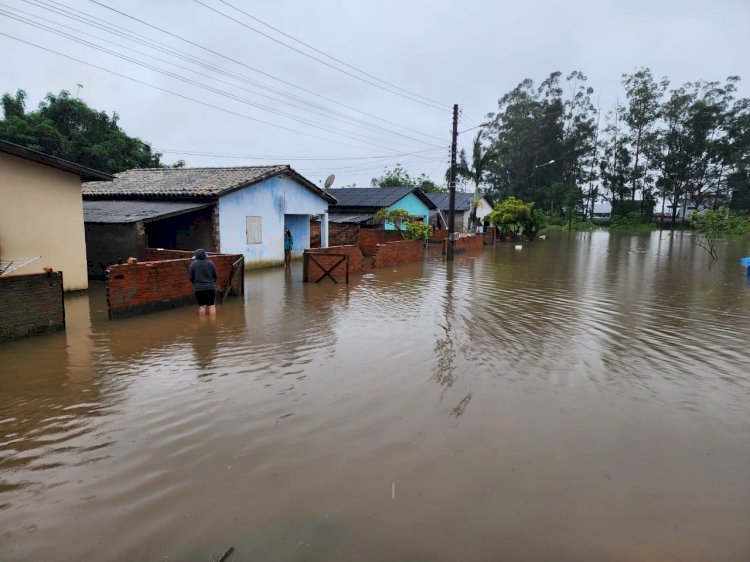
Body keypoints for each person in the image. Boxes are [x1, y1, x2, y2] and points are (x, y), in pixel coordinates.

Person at [189, 248, 217, 316]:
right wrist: (212, 282)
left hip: (199, 288)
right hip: (210, 287)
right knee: (212, 305)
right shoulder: (211, 263)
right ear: (205, 255)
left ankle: (202, 324)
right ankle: (213, 323)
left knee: (202, 306)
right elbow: (215, 275)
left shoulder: (193, 264)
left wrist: (196, 284)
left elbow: (191, 277)